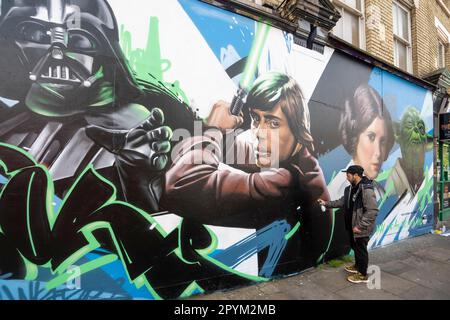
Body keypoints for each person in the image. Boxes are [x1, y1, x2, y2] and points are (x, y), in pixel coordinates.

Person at [160, 72, 332, 274]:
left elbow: (181, 186)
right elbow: (237, 152)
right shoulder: (300, 162)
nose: (258, 132)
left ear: (298, 129)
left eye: (273, 123)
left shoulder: (285, 180)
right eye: (255, 119)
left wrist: (212, 129)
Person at [328, 84, 395, 200]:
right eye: (371, 137)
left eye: (383, 141)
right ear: (354, 136)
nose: (378, 153)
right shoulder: (337, 193)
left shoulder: (379, 192)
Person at [318, 165, 379, 283]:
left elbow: (372, 211)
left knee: (361, 250)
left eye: (348, 175)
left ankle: (362, 275)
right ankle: (357, 266)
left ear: (356, 175)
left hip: (361, 227)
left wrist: (360, 226)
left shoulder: (366, 189)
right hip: (351, 226)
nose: (346, 177)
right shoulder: (350, 189)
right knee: (355, 248)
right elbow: (341, 202)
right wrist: (326, 203)